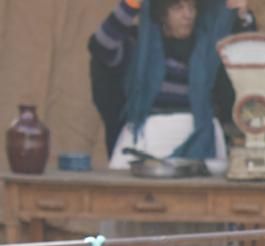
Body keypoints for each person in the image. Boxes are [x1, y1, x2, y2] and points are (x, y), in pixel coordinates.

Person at [88, 0, 256, 166]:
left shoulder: (211, 48)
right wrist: (131, 4)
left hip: (202, 138)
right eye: (178, 8)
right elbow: (102, 46)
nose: (188, 15)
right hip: (148, 138)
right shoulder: (139, 47)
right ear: (162, 14)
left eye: (192, 7)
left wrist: (243, 19)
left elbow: (248, 65)